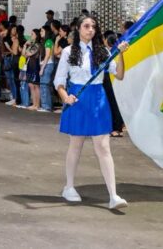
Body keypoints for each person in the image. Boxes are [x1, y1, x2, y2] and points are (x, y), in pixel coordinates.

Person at [54, 15, 129, 210]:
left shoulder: (103, 51)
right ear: (78, 28)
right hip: (78, 99)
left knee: (103, 147)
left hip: (98, 99)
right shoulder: (68, 51)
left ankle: (113, 195)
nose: (90, 30)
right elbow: (59, 80)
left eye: (93, 27)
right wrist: (65, 97)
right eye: (86, 26)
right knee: (76, 145)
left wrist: (120, 54)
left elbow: (119, 74)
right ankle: (69, 187)